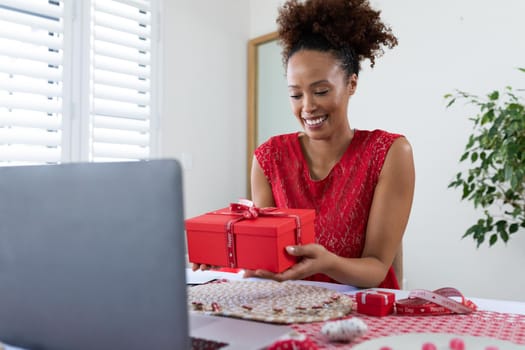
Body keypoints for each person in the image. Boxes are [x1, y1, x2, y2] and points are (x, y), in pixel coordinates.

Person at [245, 0, 415, 289]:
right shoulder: (268, 158)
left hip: (365, 314)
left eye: (321, 91)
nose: (308, 107)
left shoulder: (389, 153)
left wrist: (329, 263)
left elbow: (376, 267)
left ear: (351, 84)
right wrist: (233, 255)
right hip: (290, 309)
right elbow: (269, 259)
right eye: (295, 95)